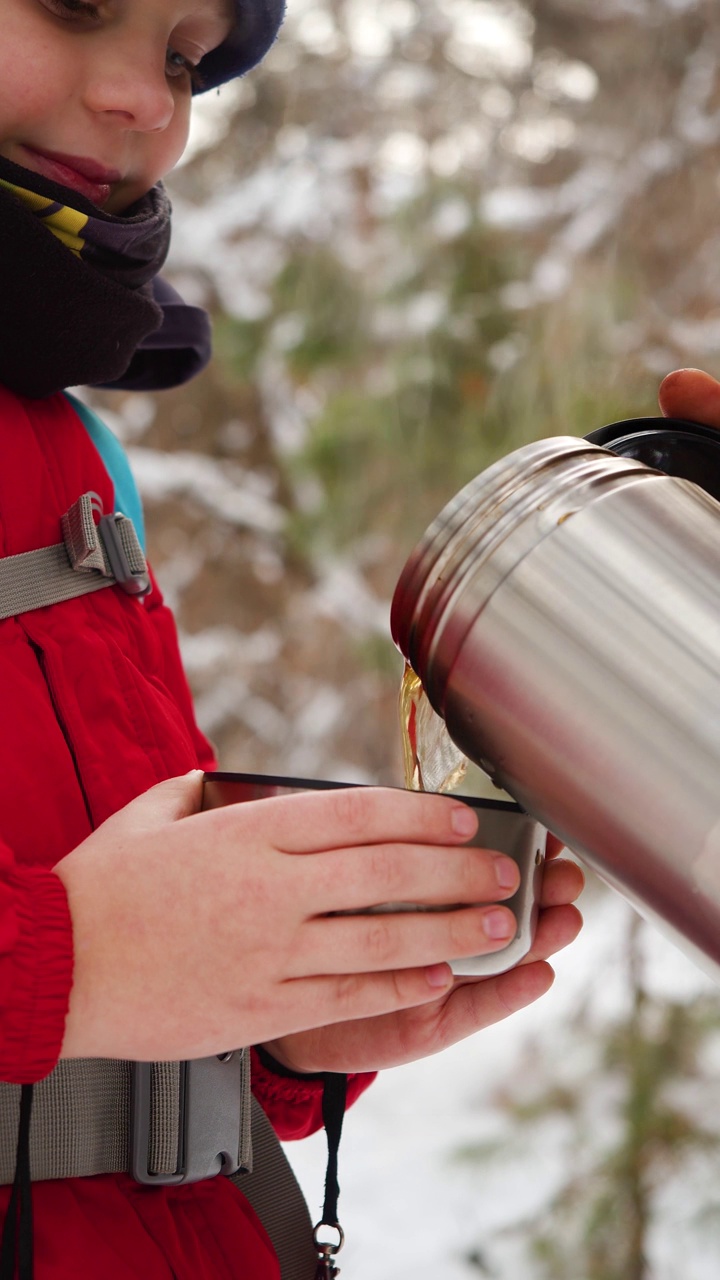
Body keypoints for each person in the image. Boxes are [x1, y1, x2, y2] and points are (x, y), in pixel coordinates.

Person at [8, 0, 695, 1275]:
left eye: (181, 57)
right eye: (75, 6)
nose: (149, 104)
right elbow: (67, 959)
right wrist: (70, 958)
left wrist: (281, 1026)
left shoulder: (70, 449)